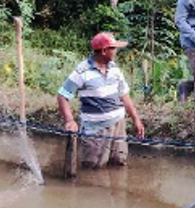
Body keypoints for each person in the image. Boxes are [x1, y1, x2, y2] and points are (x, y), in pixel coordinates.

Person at [57, 32, 145, 169]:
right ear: (104, 51)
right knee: (93, 169)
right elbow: (62, 95)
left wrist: (136, 119)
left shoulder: (114, 68)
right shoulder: (82, 71)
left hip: (118, 126)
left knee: (119, 164)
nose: (116, 51)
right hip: (95, 130)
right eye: (113, 48)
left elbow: (124, 95)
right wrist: (70, 120)